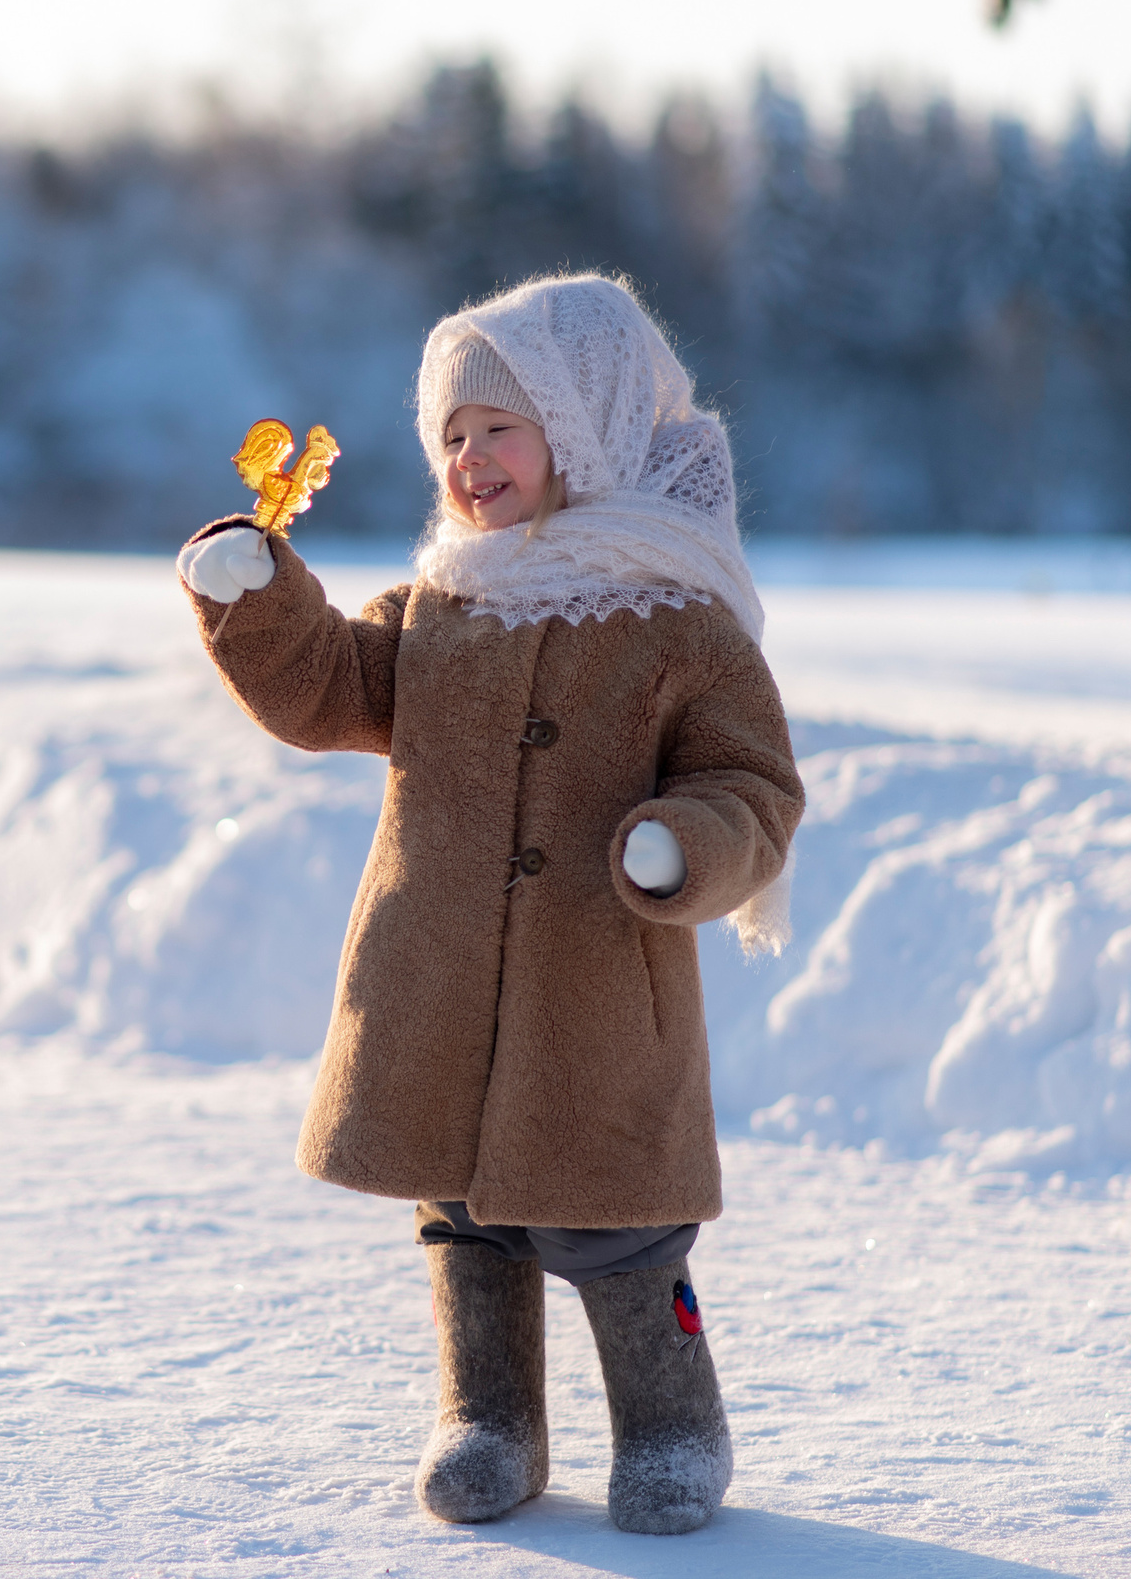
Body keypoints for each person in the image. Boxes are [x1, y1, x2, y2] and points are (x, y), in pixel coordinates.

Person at [176, 273, 803, 1536]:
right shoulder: (442, 606)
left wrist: (685, 842)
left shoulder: (679, 614)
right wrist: (257, 600)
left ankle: (675, 1421)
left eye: (498, 427)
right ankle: (488, 1415)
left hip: (595, 987)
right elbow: (331, 687)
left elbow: (750, 780)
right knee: (463, 1215)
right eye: (449, 435)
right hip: (442, 980)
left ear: (585, 428)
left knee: (616, 1226)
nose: (468, 459)